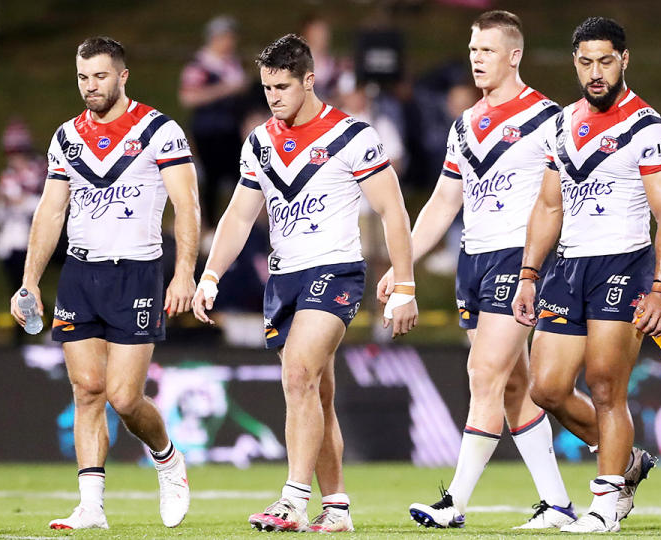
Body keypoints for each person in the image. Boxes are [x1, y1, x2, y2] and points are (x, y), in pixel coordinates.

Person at [192, 34, 418, 533]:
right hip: (285, 278)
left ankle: (292, 500)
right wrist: (209, 273)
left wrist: (405, 284)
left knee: (297, 375)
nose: (273, 97)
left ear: (310, 80)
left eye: (282, 86)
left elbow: (392, 210)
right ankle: (335, 508)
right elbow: (238, 216)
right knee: (317, 395)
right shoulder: (260, 142)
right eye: (267, 87)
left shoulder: (352, 135)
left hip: (335, 271)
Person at [380, 11, 576, 530]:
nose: (477, 60)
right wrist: (405, 264)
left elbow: (567, 197)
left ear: (514, 55)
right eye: (473, 51)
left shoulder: (548, 118)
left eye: (487, 51)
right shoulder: (465, 124)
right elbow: (444, 203)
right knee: (513, 386)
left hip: (521, 258)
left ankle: (454, 503)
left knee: (483, 373)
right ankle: (557, 504)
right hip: (475, 259)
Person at [10, 36, 199, 531]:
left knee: (123, 396)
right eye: (82, 77)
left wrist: (183, 272)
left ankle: (167, 458)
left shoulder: (159, 131)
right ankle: (91, 505)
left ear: (122, 76)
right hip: (80, 272)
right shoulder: (67, 136)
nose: (90, 86)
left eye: (99, 76)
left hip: (137, 271)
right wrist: (29, 280)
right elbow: (50, 211)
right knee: (86, 389)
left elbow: (188, 206)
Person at [511, 16, 661, 533]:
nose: (596, 72)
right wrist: (527, 273)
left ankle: (607, 504)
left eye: (606, 61)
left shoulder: (646, 128)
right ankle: (627, 463)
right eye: (586, 62)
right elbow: (547, 205)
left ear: (624, 60)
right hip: (568, 267)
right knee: (546, 389)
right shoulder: (562, 124)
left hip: (624, 265)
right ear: (576, 64)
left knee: (607, 387)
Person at [178, 15, 247, 226]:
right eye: (225, 37)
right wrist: (225, 89)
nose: (230, 42)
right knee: (211, 180)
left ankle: (239, 226)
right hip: (208, 132)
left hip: (231, 130)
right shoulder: (200, 66)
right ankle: (209, 227)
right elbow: (188, 97)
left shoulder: (232, 64)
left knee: (240, 180)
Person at [0, 118, 47, 344]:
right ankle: (26, 328)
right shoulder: (8, 177)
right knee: (17, 287)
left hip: (39, 238)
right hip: (12, 241)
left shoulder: (40, 170)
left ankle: (45, 321)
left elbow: (49, 205)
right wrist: (5, 203)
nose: (15, 157)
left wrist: (21, 203)